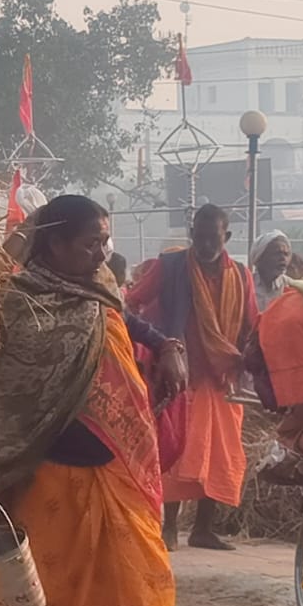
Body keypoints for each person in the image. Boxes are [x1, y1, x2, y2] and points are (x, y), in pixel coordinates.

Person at [0, 195, 187, 606]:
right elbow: (0, 391)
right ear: (55, 245)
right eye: (90, 244)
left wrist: (168, 344)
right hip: (50, 480)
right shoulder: (16, 303)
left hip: (116, 475)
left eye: (104, 242)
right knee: (55, 604)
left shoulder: (97, 291)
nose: (100, 254)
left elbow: (122, 316)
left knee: (135, 592)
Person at [127, 204, 258, 551]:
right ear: (191, 235)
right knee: (178, 450)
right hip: (179, 378)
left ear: (226, 237)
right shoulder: (169, 266)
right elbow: (131, 302)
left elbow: (251, 323)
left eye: (212, 237)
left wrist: (252, 358)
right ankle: (169, 526)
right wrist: (156, 345)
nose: (204, 244)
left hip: (222, 378)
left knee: (219, 455)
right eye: (198, 237)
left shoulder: (241, 275)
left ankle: (203, 529)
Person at [250, 231, 293, 310]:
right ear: (260, 257)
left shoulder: (291, 287)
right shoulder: (246, 285)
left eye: (286, 254)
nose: (283, 258)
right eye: (277, 253)